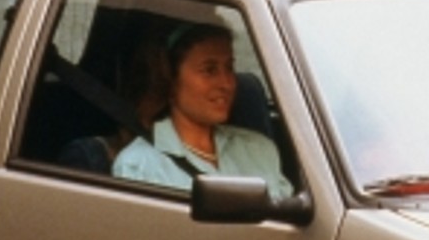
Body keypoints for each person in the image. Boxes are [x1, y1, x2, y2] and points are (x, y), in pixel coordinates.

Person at [113, 21, 294, 200]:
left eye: (229, 67)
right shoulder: (137, 167)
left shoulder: (259, 149)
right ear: (171, 81)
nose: (227, 83)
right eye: (209, 70)